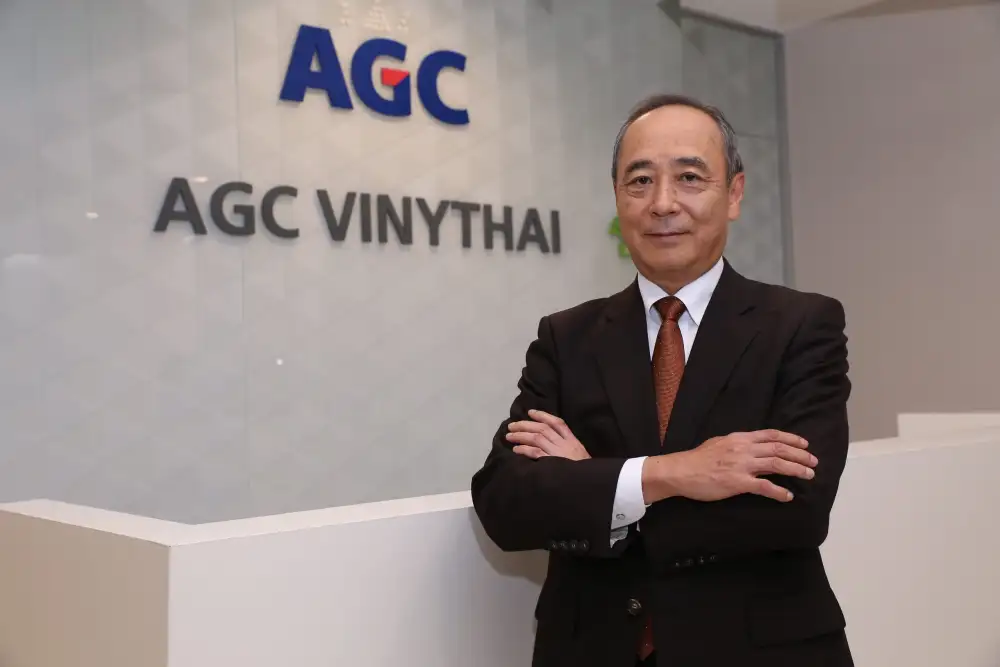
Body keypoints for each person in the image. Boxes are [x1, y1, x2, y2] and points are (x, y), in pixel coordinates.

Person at [470, 94, 853, 667]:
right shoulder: (567, 338)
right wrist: (672, 474)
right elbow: (505, 503)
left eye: (690, 177)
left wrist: (599, 486)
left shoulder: (801, 325)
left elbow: (796, 507)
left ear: (735, 194)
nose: (663, 203)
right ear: (617, 197)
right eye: (640, 181)